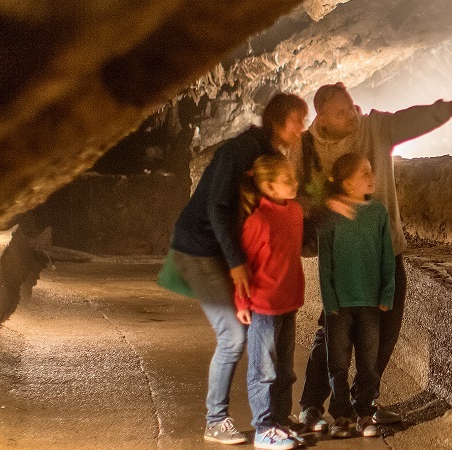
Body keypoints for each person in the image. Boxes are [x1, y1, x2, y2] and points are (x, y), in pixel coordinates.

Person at [295, 83, 452, 430]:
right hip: (342, 255)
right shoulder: (306, 148)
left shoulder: (373, 128)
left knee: (385, 331)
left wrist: (445, 109)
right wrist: (325, 204)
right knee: (332, 333)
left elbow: (407, 121)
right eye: (342, 112)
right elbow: (297, 194)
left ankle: (364, 405)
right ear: (322, 118)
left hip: (384, 251)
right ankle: (311, 405)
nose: (352, 115)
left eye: (351, 106)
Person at [168, 93, 307, 445]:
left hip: (226, 247)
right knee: (233, 335)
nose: (302, 129)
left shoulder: (268, 155)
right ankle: (216, 420)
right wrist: (237, 263)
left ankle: (275, 418)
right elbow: (216, 207)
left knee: (257, 338)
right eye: (297, 120)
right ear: (277, 120)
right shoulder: (240, 150)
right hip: (201, 246)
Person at [314, 152, 395, 439]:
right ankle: (341, 415)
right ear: (347, 183)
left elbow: (387, 256)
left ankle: (364, 412)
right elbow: (325, 262)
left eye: (371, 171)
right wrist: (329, 300)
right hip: (340, 304)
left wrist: (387, 292)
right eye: (364, 173)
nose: (372, 177)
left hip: (370, 302)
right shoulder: (331, 215)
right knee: (337, 364)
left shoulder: (378, 213)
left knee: (368, 363)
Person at [234, 153, 305, 450]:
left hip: (288, 302)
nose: (295, 182)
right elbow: (244, 266)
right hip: (263, 306)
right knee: (263, 370)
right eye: (287, 180)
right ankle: (264, 428)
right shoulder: (258, 221)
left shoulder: (295, 211)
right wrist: (241, 302)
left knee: (285, 370)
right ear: (268, 186)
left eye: (293, 177)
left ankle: (280, 421)